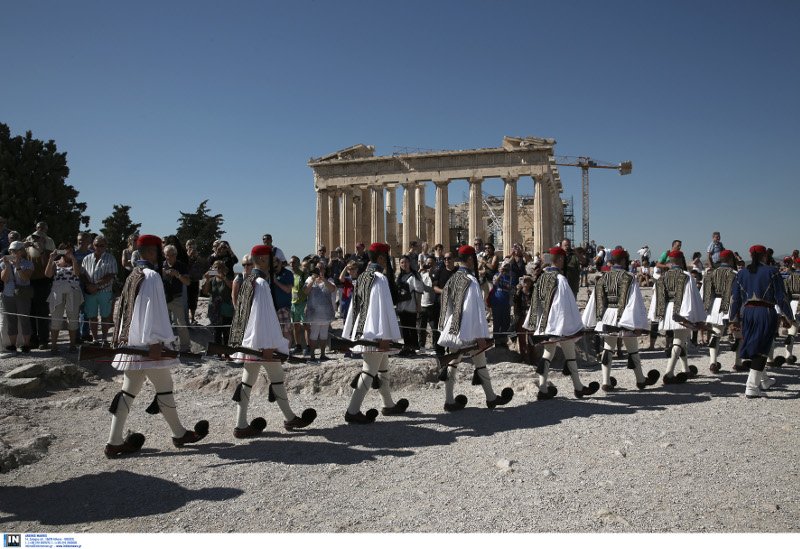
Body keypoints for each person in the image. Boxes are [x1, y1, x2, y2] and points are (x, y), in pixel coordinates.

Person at [104, 234, 208, 458]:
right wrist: (156, 342)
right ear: (152, 252)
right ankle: (179, 434)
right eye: (159, 251)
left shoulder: (133, 275)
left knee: (128, 392)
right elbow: (154, 312)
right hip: (148, 346)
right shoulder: (151, 276)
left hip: (134, 344)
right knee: (164, 387)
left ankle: (114, 442)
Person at [229, 245, 316, 437]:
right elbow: (262, 317)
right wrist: (268, 345)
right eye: (270, 259)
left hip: (253, 342)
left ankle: (245, 423)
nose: (273, 262)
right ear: (261, 259)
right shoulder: (259, 282)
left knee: (254, 382)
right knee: (268, 380)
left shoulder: (250, 280)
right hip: (261, 343)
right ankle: (284, 419)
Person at [437, 245, 513, 411]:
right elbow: (474, 310)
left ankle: (450, 400)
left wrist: (445, 328)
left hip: (452, 329)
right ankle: (491, 398)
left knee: (453, 363)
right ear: (470, 259)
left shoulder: (452, 279)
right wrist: (480, 335)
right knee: (480, 363)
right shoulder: (470, 281)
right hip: (468, 330)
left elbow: (446, 307)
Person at [341, 242, 409, 424]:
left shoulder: (363, 276)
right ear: (380, 258)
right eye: (386, 258)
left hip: (365, 329)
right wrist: (384, 336)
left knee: (383, 366)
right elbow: (381, 308)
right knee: (369, 370)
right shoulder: (379, 277)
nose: (387, 262)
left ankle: (388, 404)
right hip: (375, 332)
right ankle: (352, 410)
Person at [523, 247, 599, 400]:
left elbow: (535, 304)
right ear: (559, 260)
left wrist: (535, 324)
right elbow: (565, 305)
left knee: (551, 354)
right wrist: (572, 325)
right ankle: (576, 388)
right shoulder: (560, 279)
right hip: (559, 326)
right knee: (566, 355)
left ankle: (545, 388)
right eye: (563, 259)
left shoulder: (541, 279)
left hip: (546, 325)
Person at [582, 248, 659, 391]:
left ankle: (605, 381)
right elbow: (634, 301)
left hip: (606, 317)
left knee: (608, 348)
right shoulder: (629, 277)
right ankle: (640, 380)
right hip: (624, 317)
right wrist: (636, 322)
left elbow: (596, 300)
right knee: (633, 349)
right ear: (623, 260)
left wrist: (594, 320)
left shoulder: (603, 277)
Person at [729, 245, 793, 398]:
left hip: (748, 313)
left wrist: (733, 319)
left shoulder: (742, 273)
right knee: (762, 347)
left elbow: (734, 299)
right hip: (765, 312)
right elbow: (781, 297)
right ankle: (751, 386)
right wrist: (789, 317)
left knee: (755, 343)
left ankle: (764, 380)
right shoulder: (772, 271)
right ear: (765, 255)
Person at [647, 250, 706, 385]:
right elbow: (691, 297)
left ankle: (685, 369)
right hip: (681, 312)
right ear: (681, 260)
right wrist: (691, 316)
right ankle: (669, 373)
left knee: (681, 340)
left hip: (667, 311)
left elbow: (656, 298)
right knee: (679, 341)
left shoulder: (662, 277)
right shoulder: (686, 276)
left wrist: (657, 315)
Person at [702, 249, 740, 373]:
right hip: (731, 303)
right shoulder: (735, 273)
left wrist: (707, 309)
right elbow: (738, 293)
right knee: (739, 335)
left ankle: (713, 362)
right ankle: (738, 362)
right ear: (730, 259)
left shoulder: (712, 273)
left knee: (715, 334)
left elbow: (706, 293)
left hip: (715, 304)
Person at [44, 244, 84, 353]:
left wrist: (73, 259)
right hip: (57, 291)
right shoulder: (55, 263)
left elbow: (77, 273)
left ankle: (72, 345)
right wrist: (51, 258)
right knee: (56, 317)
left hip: (73, 291)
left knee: (73, 317)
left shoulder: (76, 261)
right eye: (65, 250)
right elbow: (47, 274)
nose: (67, 253)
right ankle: (53, 345)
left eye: (70, 251)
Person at [81, 236, 118, 345]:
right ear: (93, 245)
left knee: (105, 316)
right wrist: (88, 285)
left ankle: (105, 339)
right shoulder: (86, 258)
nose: (99, 247)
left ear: (106, 246)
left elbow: (111, 275)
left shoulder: (110, 258)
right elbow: (82, 273)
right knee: (92, 316)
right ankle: (95, 339)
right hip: (90, 291)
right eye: (97, 245)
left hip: (104, 291)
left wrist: (96, 286)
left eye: (102, 245)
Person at [1, 241, 34, 355]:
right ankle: (12, 345)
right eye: (11, 251)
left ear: (21, 251)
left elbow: (25, 278)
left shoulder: (28, 263)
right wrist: (7, 265)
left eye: (15, 250)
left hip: (22, 295)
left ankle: (26, 345)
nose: (12, 252)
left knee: (24, 319)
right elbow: (4, 279)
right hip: (8, 294)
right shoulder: (4, 263)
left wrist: (18, 266)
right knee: (11, 320)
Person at [25, 229, 55, 349]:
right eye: (34, 238)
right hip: (30, 283)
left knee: (42, 312)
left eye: (38, 238)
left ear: (44, 240)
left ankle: (43, 340)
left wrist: (41, 250)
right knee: (31, 312)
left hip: (43, 284)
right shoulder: (27, 251)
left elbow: (45, 266)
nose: (35, 240)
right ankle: (33, 339)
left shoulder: (48, 252)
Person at [304, 261, 336, 362]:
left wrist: (324, 280)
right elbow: (305, 291)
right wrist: (313, 279)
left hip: (325, 312)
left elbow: (332, 289)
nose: (320, 270)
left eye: (322, 268)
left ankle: (322, 354)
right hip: (314, 313)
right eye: (318, 268)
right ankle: (312, 355)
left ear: (325, 270)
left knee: (324, 334)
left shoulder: (329, 280)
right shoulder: (309, 279)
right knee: (313, 334)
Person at [162, 244, 191, 352]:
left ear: (176, 255)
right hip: (163, 298)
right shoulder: (161, 266)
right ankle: (167, 345)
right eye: (167, 255)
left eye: (172, 255)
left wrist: (178, 275)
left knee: (180, 323)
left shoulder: (181, 266)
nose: (169, 257)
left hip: (176, 298)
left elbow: (188, 282)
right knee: (164, 323)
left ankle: (185, 347)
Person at [431, 251, 458, 356]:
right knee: (440, 326)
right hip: (441, 303)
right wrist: (445, 292)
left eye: (449, 258)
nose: (447, 260)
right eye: (445, 259)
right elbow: (434, 287)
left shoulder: (458, 271)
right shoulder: (440, 271)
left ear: (453, 260)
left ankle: (453, 349)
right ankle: (439, 350)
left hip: (456, 303)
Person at [396, 255, 423, 356]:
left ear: (409, 263)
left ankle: (413, 348)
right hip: (401, 306)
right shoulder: (400, 276)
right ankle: (407, 347)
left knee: (411, 327)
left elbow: (418, 291)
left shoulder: (414, 276)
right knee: (404, 328)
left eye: (406, 262)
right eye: (402, 262)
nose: (404, 264)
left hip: (410, 305)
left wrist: (418, 305)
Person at [775, 257, 800, 365]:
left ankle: (788, 356)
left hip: (793, 304)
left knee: (792, 331)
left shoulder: (790, 277)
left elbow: (786, 294)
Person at [202, 260, 234, 345]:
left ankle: (227, 354)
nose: (217, 269)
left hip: (226, 311)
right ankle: (219, 354)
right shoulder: (212, 280)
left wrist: (223, 277)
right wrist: (207, 279)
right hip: (214, 310)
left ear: (223, 269)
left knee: (226, 333)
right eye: (215, 267)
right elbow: (205, 292)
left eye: (220, 267)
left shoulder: (227, 278)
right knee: (217, 333)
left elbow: (232, 287)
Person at [489, 262, 513, 346]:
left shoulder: (510, 277)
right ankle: (496, 340)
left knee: (505, 322)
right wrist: (500, 274)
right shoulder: (496, 275)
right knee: (497, 322)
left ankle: (504, 340)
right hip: (496, 302)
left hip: (506, 303)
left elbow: (511, 289)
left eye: (507, 268)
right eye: (504, 267)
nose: (505, 269)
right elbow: (495, 282)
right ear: (499, 268)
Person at [290, 256, 310, 355]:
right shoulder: (290, 275)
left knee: (306, 325)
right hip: (293, 303)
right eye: (290, 263)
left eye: (293, 263)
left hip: (303, 303)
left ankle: (308, 347)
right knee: (295, 325)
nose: (291, 265)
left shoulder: (303, 275)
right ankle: (298, 346)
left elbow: (308, 288)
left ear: (298, 264)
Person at [185, 239, 208, 325]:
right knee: (186, 300)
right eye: (189, 245)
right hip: (186, 281)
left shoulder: (198, 257)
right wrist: (189, 257)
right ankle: (186, 318)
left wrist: (197, 258)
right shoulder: (184, 257)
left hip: (195, 281)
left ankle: (193, 318)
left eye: (193, 245)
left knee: (194, 300)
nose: (191, 247)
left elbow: (204, 266)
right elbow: (184, 266)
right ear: (186, 247)